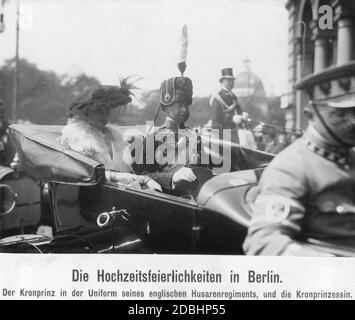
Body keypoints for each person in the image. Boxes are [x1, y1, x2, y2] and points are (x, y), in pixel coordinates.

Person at [243, 98, 355, 256]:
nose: (352, 121)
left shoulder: (350, 156)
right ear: (310, 115)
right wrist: (332, 268)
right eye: (340, 114)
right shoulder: (290, 167)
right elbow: (263, 243)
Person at [59, 83, 162, 192]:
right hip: (91, 193)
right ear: (87, 111)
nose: (105, 116)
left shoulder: (115, 135)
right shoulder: (74, 136)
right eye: (99, 111)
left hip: (123, 190)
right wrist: (136, 178)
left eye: (107, 111)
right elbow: (83, 172)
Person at [134, 76, 205, 194]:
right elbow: (143, 176)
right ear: (165, 108)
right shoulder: (154, 138)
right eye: (179, 105)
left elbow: (204, 170)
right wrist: (172, 177)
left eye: (186, 105)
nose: (184, 110)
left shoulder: (194, 136)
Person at [210, 68, 243, 141]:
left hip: (233, 131)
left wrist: (243, 116)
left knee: (235, 151)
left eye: (232, 81)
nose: (231, 83)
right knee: (226, 152)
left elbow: (238, 111)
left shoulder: (233, 96)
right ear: (222, 82)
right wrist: (232, 118)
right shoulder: (218, 97)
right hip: (220, 132)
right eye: (229, 81)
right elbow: (216, 117)